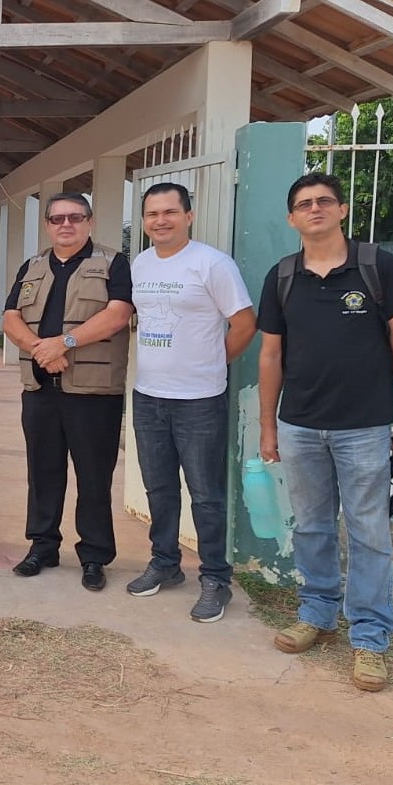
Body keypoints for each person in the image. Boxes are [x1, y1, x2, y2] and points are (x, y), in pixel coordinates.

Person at [257, 172, 393, 692]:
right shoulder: (283, 276)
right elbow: (270, 354)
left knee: (369, 532)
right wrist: (268, 426)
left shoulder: (378, 268)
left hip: (364, 426)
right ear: (291, 217)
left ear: (342, 209)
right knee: (311, 526)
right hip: (301, 425)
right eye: (304, 204)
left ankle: (371, 639)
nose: (315, 209)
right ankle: (318, 613)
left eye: (324, 201)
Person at [126, 183, 256, 623]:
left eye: (169, 212)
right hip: (148, 396)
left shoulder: (212, 264)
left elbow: (244, 323)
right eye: (152, 214)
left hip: (198, 400)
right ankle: (165, 563)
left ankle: (215, 578)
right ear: (143, 221)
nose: (160, 221)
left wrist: (212, 364)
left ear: (189, 215)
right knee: (159, 489)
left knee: (206, 495)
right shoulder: (140, 263)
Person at [2, 192, 134, 592]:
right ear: (47, 225)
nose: (66, 225)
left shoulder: (113, 263)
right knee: (43, 473)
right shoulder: (32, 267)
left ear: (89, 222)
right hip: (41, 389)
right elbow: (10, 318)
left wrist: (65, 343)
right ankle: (43, 546)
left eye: (75, 217)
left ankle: (94, 556)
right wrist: (41, 349)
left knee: (94, 477)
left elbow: (117, 314)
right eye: (57, 218)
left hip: (94, 393)